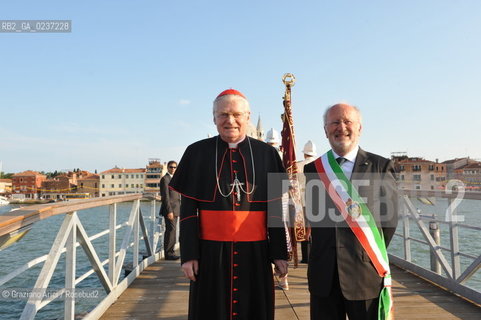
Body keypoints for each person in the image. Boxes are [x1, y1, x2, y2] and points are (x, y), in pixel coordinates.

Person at [169, 89, 288, 320]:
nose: (230, 120)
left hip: (256, 251)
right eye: (223, 114)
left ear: (248, 117)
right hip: (210, 252)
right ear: (214, 118)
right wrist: (189, 255)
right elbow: (188, 212)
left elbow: (275, 210)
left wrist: (279, 253)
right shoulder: (196, 152)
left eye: (236, 114)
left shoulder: (268, 154)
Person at [304, 103, 398, 320]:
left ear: (359, 128)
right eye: (335, 122)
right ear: (325, 129)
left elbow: (389, 221)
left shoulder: (381, 166)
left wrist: (367, 252)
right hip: (323, 275)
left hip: (365, 273)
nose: (341, 127)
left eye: (348, 122)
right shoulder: (313, 169)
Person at [296, 140, 317, 263]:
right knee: (314, 229)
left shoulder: (297, 165)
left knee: (303, 229)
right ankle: (314, 255)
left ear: (304, 154)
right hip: (316, 200)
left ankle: (305, 257)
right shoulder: (320, 164)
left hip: (301, 200)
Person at [159, 160, 181, 260]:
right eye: (171, 167)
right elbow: (165, 197)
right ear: (167, 168)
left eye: (174, 167)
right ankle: (168, 254)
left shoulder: (176, 179)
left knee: (173, 230)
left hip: (176, 209)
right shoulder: (165, 179)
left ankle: (171, 252)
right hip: (170, 210)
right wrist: (169, 211)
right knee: (170, 230)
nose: (173, 169)